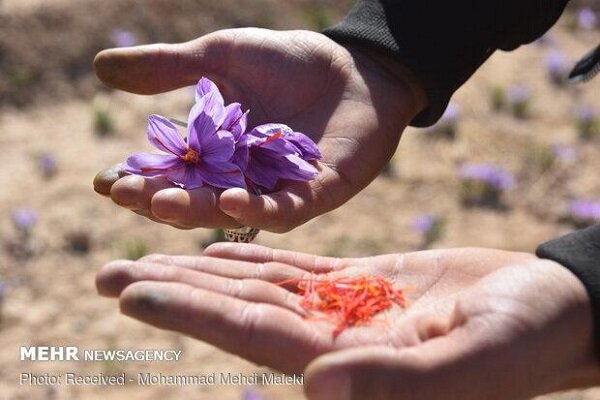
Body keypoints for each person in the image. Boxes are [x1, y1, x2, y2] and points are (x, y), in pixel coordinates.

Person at [93, 0, 600, 398]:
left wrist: (586, 282)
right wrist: (385, 51)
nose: (189, 156)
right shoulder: (205, 152)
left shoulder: (215, 153)